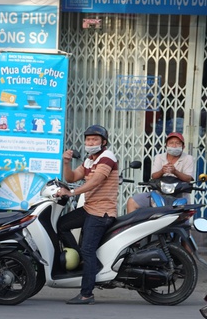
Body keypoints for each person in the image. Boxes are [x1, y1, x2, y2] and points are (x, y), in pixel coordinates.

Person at [56, 125, 119, 305]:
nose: (90, 143)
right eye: (88, 139)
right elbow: (72, 178)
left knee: (88, 249)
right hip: (90, 208)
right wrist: (66, 163)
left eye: (95, 140)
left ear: (103, 142)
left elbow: (96, 181)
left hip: (102, 212)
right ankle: (81, 259)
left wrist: (72, 193)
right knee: (62, 225)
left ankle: (87, 294)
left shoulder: (107, 157)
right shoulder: (90, 160)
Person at [126, 131, 195, 213]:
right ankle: (132, 225)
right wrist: (162, 171)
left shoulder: (188, 159)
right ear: (166, 145)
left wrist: (175, 171)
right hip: (159, 193)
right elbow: (154, 176)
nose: (174, 145)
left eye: (177, 143)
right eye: (171, 143)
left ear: (183, 146)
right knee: (132, 202)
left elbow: (188, 178)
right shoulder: (159, 157)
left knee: (183, 219)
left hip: (179, 195)